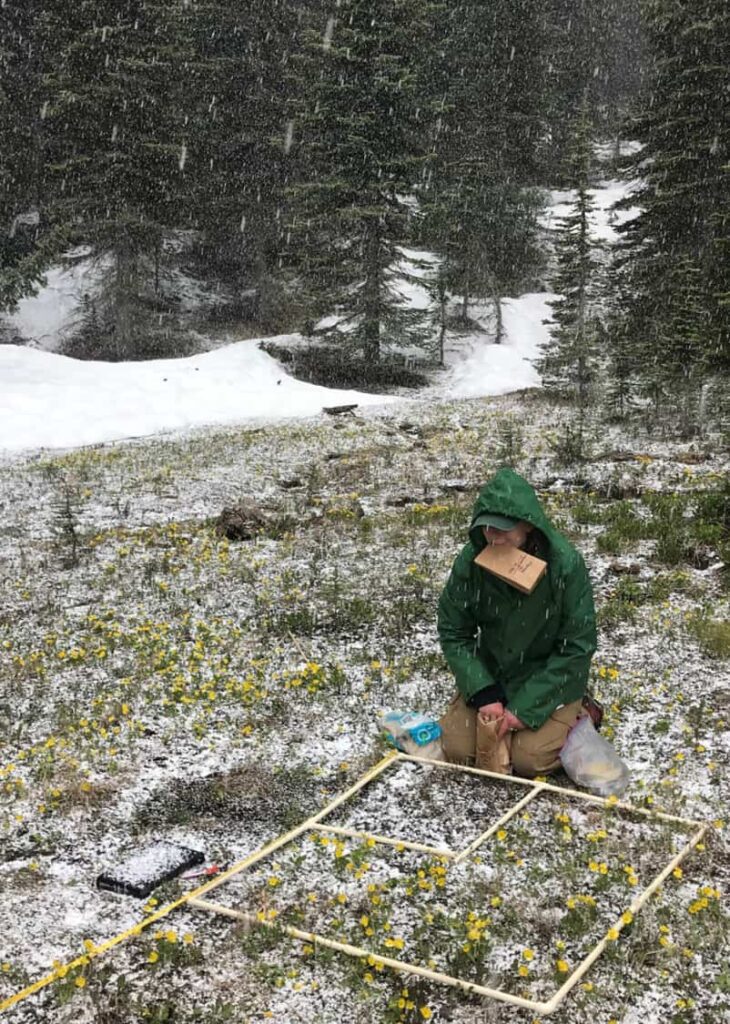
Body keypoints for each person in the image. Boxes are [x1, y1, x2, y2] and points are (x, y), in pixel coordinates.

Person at [437, 467, 597, 777]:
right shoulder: (471, 561)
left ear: (528, 524)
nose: (493, 538)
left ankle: (583, 710)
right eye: (487, 528)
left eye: (503, 530)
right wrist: (483, 692)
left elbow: (577, 646)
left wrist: (523, 710)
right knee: (457, 749)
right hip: (494, 673)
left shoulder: (565, 565)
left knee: (529, 761)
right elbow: (453, 630)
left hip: (549, 677)